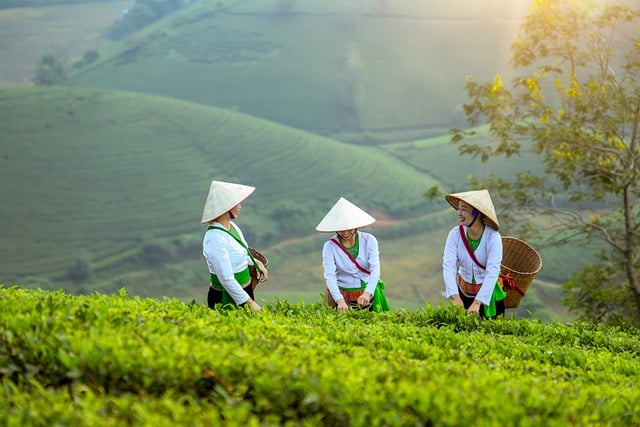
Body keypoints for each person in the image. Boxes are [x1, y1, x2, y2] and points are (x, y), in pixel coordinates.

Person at [201, 180, 268, 311]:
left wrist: (256, 263)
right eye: (237, 203)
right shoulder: (214, 238)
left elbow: (241, 252)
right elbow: (226, 278)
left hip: (244, 289)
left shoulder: (233, 227)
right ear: (227, 208)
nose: (240, 206)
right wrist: (248, 302)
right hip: (227, 295)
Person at [316, 197, 389, 312]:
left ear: (356, 226)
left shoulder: (369, 240)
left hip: (366, 291)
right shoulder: (329, 246)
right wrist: (339, 300)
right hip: (340, 293)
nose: (345, 233)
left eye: (349, 228)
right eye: (341, 229)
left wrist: (367, 293)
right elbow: (329, 275)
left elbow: (375, 269)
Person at [442, 189, 506, 318]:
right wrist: (455, 296)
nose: (459, 213)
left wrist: (478, 302)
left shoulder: (493, 237)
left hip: (487, 295)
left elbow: (492, 271)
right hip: (463, 292)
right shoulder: (455, 234)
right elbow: (448, 265)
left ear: (477, 212)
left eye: (463, 209)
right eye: (458, 209)